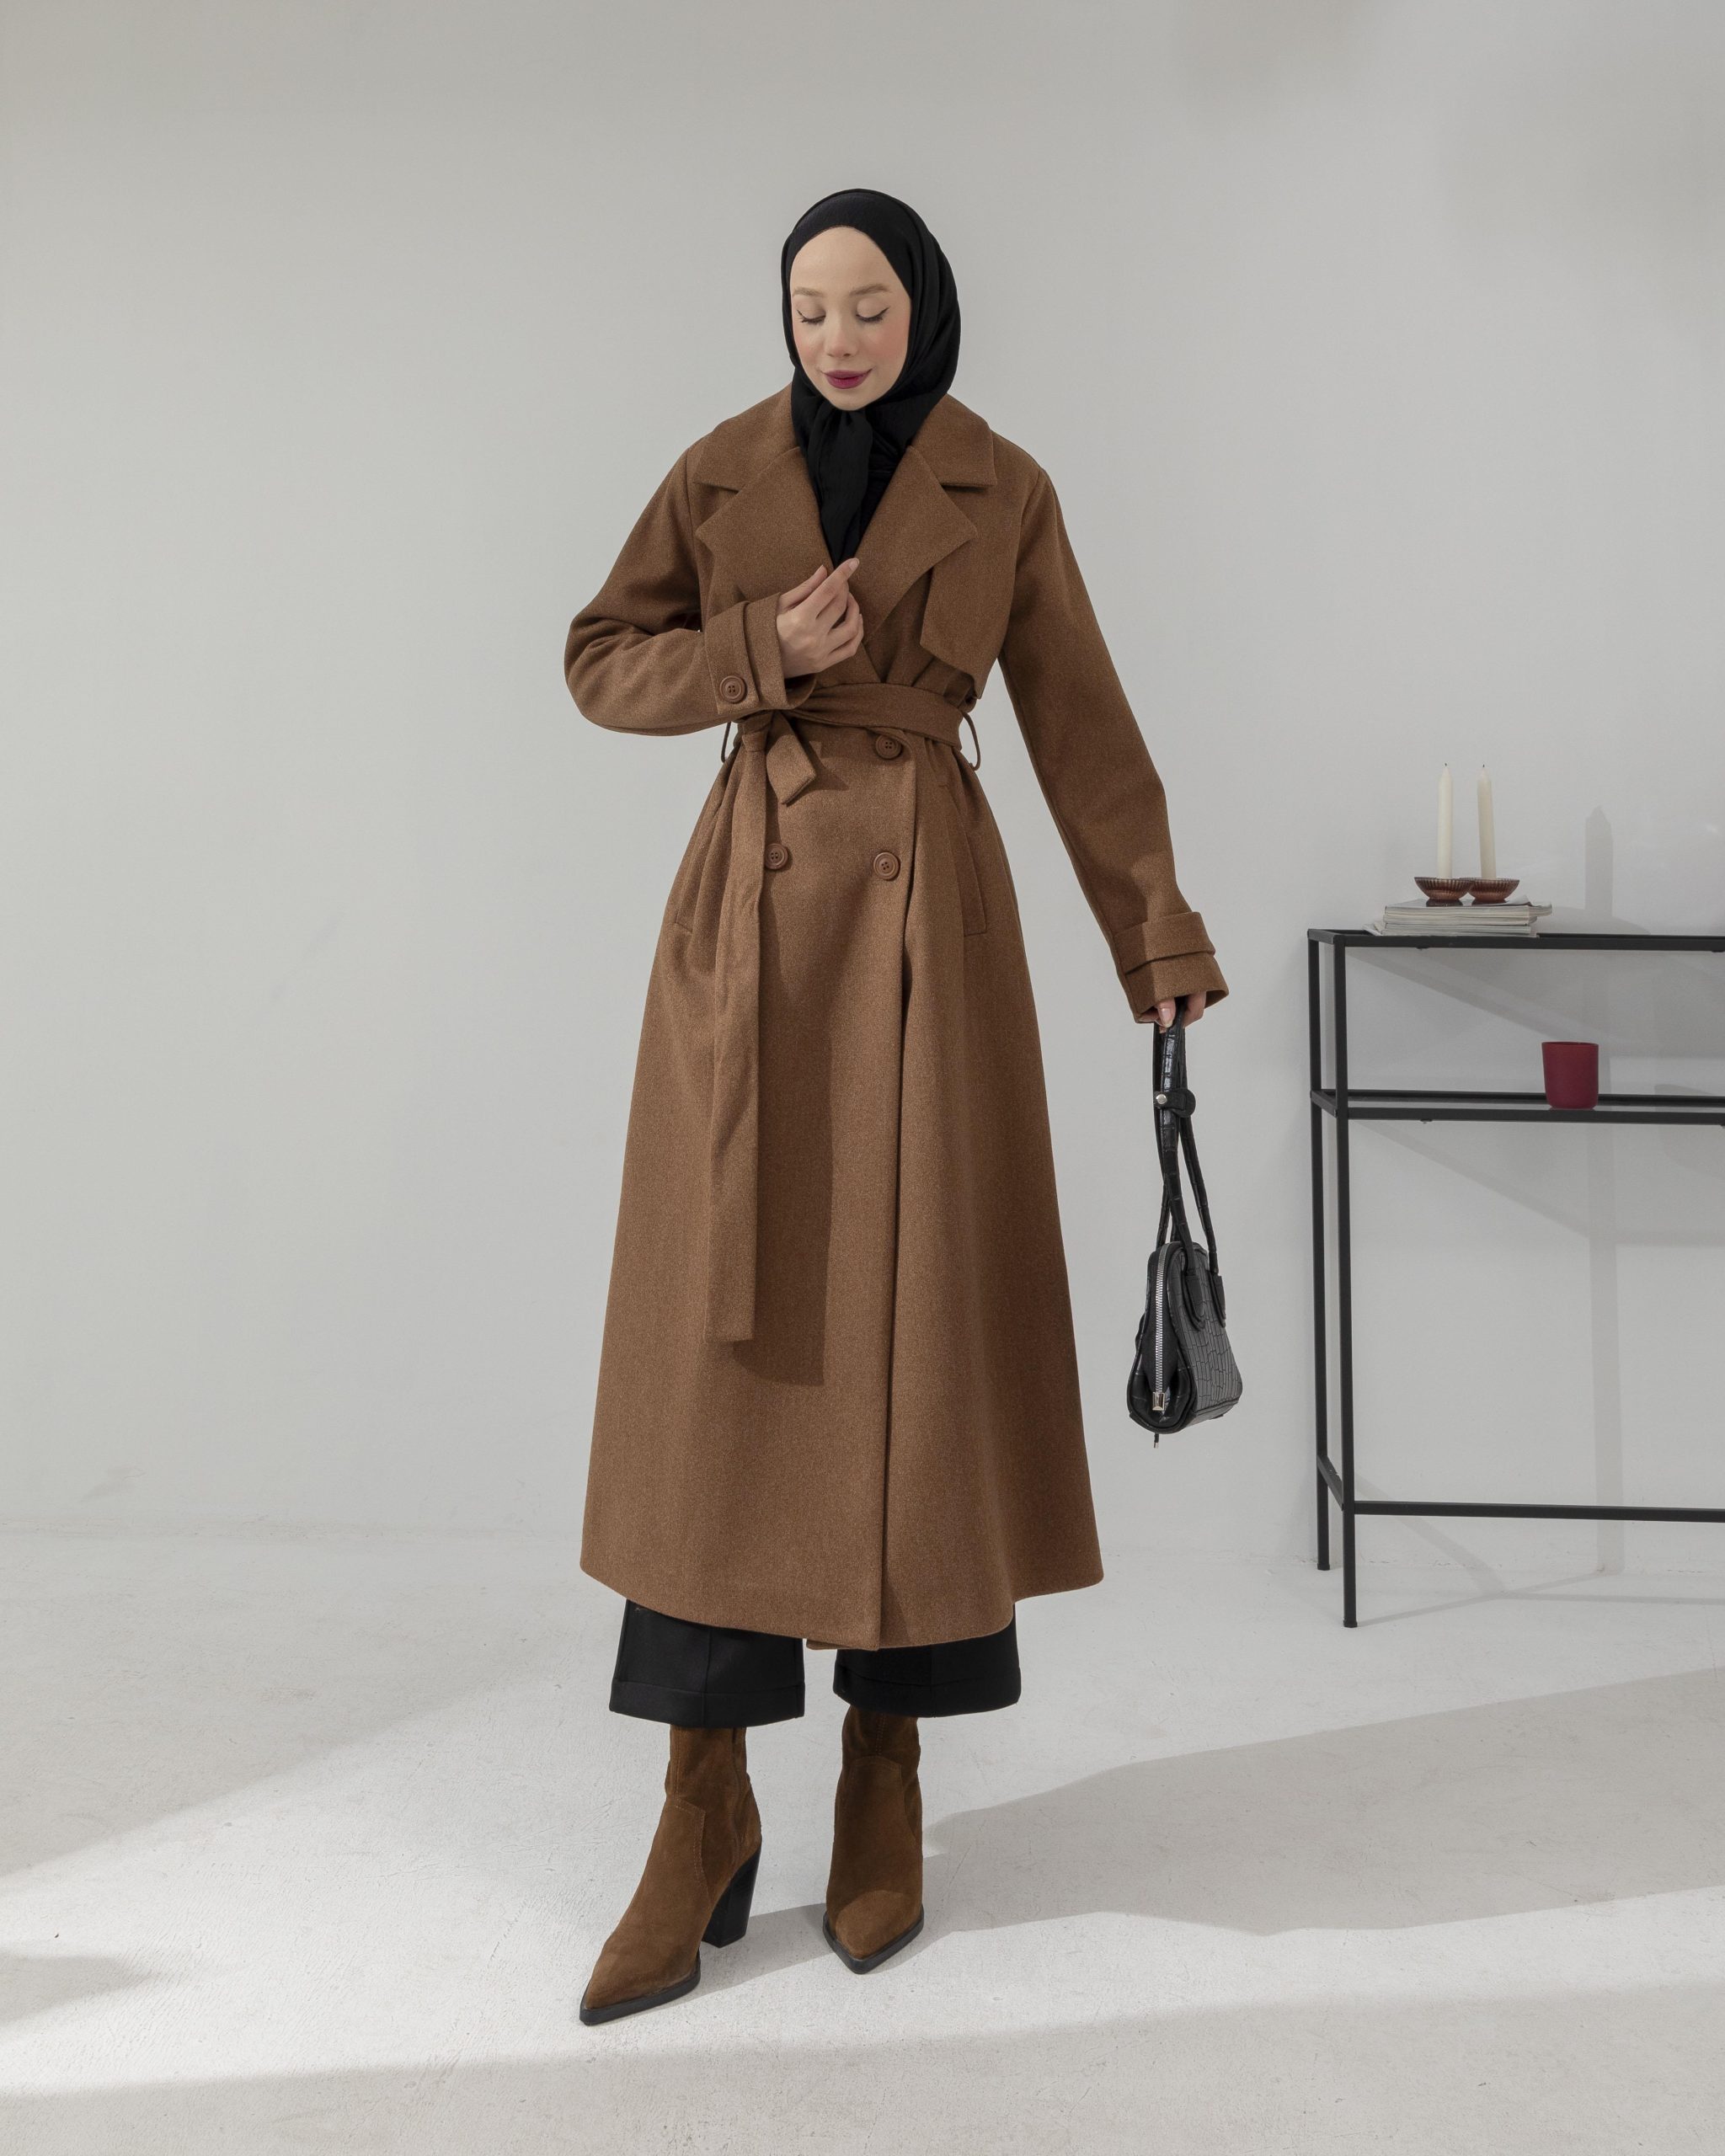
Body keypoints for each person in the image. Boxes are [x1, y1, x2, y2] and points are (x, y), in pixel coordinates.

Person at [563, 187, 1228, 2025]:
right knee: (720, 1366)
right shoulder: (715, 472)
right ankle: (700, 1803)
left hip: (927, 924)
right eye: (809, 307)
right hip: (752, 934)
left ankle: (885, 1771)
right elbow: (600, 657)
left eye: (868, 305)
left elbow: (1079, 718)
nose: (838, 337)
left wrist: (1155, 932)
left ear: (923, 309)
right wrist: (753, 652)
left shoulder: (1001, 487)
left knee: (921, 1345)